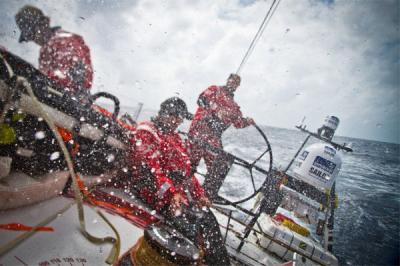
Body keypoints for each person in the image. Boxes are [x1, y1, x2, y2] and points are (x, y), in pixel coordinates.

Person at [129, 97, 230, 265]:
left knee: (208, 219)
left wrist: (199, 196)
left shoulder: (175, 138)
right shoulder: (147, 131)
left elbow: (186, 173)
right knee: (189, 230)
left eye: (180, 116)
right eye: (173, 115)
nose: (176, 120)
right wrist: (171, 194)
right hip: (150, 189)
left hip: (175, 196)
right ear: (162, 113)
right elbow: (150, 169)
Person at [188, 73, 254, 199]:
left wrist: (248, 122)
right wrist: (214, 110)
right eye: (231, 80)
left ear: (238, 86)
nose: (232, 83)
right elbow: (201, 99)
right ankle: (181, 186)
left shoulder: (234, 107)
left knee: (219, 164)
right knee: (190, 162)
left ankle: (206, 197)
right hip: (199, 131)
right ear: (227, 80)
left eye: (236, 82)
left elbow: (238, 123)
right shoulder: (215, 90)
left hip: (213, 137)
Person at [15, 5, 93, 100]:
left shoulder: (64, 40)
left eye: (31, 32)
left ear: (45, 23)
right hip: (55, 97)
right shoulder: (45, 50)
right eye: (28, 36)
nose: (33, 39)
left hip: (70, 101)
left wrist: (37, 78)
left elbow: (70, 76)